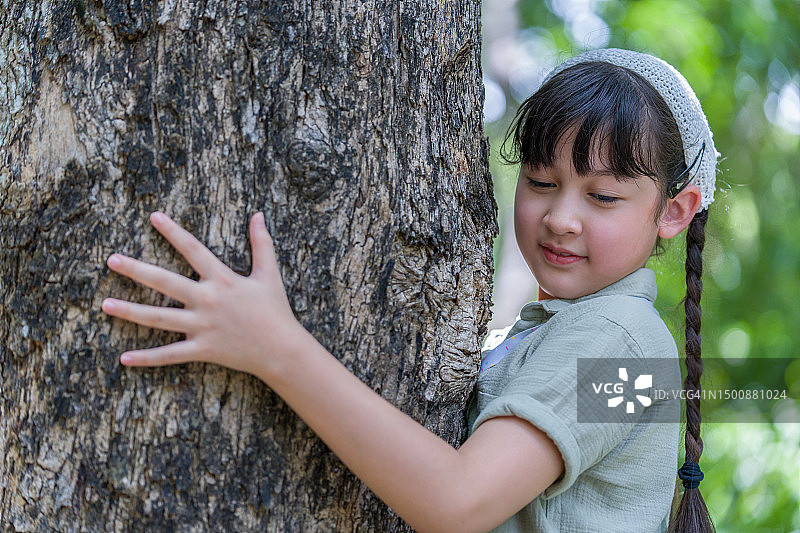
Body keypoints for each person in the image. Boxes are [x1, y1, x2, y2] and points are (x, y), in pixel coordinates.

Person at [101, 48, 718, 532]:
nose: (560, 217)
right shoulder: (562, 333)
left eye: (603, 196)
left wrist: (274, 346)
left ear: (672, 212)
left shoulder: (624, 343)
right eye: (539, 180)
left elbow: (456, 501)